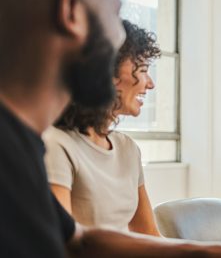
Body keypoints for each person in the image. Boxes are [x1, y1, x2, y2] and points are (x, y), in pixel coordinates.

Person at [0, 0, 221, 257]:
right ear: (72, 11)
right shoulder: (35, 148)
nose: (119, 37)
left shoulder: (22, 147)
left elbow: (78, 239)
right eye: (115, 10)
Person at [44, 19, 160, 236]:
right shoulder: (56, 145)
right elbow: (66, 245)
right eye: (143, 69)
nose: (150, 83)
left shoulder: (128, 148)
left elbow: (150, 234)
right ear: (108, 71)